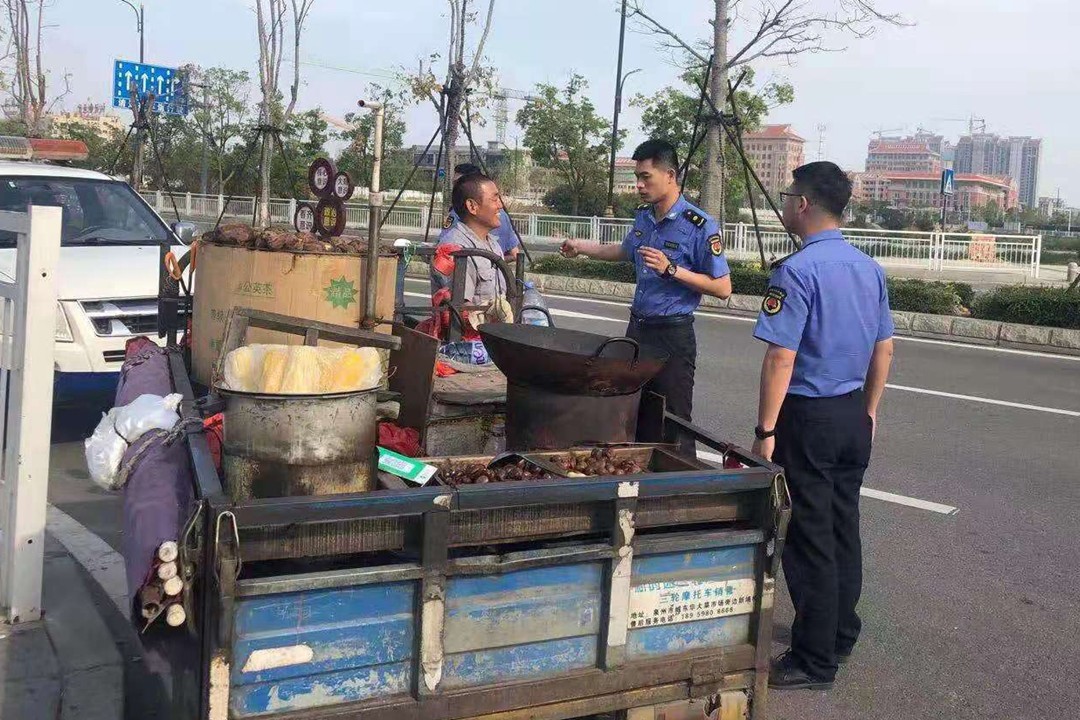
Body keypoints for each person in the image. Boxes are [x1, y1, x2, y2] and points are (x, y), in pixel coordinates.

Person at [750, 161, 895, 691]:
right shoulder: (868, 267)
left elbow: (780, 359)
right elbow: (885, 348)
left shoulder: (796, 271)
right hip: (853, 412)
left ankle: (814, 660)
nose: (786, 204)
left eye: (789, 196)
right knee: (841, 525)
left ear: (803, 204)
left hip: (809, 416)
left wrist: (766, 430)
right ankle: (839, 633)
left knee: (808, 535)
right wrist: (871, 411)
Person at [560, 139, 732, 455]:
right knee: (633, 413)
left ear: (670, 174)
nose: (639, 185)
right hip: (637, 331)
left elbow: (723, 288)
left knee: (672, 421)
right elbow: (625, 251)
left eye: (646, 177)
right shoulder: (644, 216)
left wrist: (672, 270)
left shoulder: (699, 226)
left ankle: (678, 494)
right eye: (637, 177)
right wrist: (582, 248)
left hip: (672, 335)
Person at [437, 172, 509, 308]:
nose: (500, 205)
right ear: (472, 206)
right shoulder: (454, 248)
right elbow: (462, 311)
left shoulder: (493, 245)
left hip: (493, 328)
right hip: (472, 329)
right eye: (494, 199)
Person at [439, 163, 521, 260]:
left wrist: (494, 263)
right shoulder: (454, 242)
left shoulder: (494, 246)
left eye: (458, 183)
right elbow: (514, 254)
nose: (500, 205)